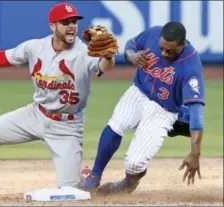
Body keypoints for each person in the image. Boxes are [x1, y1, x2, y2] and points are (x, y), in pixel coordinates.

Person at [0, 2, 115, 196]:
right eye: (65, 22)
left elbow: (104, 67)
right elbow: (3, 58)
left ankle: (85, 177)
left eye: (74, 22)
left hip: (67, 127)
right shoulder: (35, 47)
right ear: (52, 26)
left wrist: (108, 55)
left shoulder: (84, 52)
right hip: (36, 114)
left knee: (70, 192)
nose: (71, 26)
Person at [77, 22, 205, 194]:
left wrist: (195, 152)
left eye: (170, 51)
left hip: (163, 110)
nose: (164, 53)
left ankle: (128, 183)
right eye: (161, 48)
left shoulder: (191, 67)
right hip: (138, 91)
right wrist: (132, 55)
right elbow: (131, 45)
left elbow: (196, 112)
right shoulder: (153, 33)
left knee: (134, 164)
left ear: (182, 44)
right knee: (116, 124)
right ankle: (94, 176)